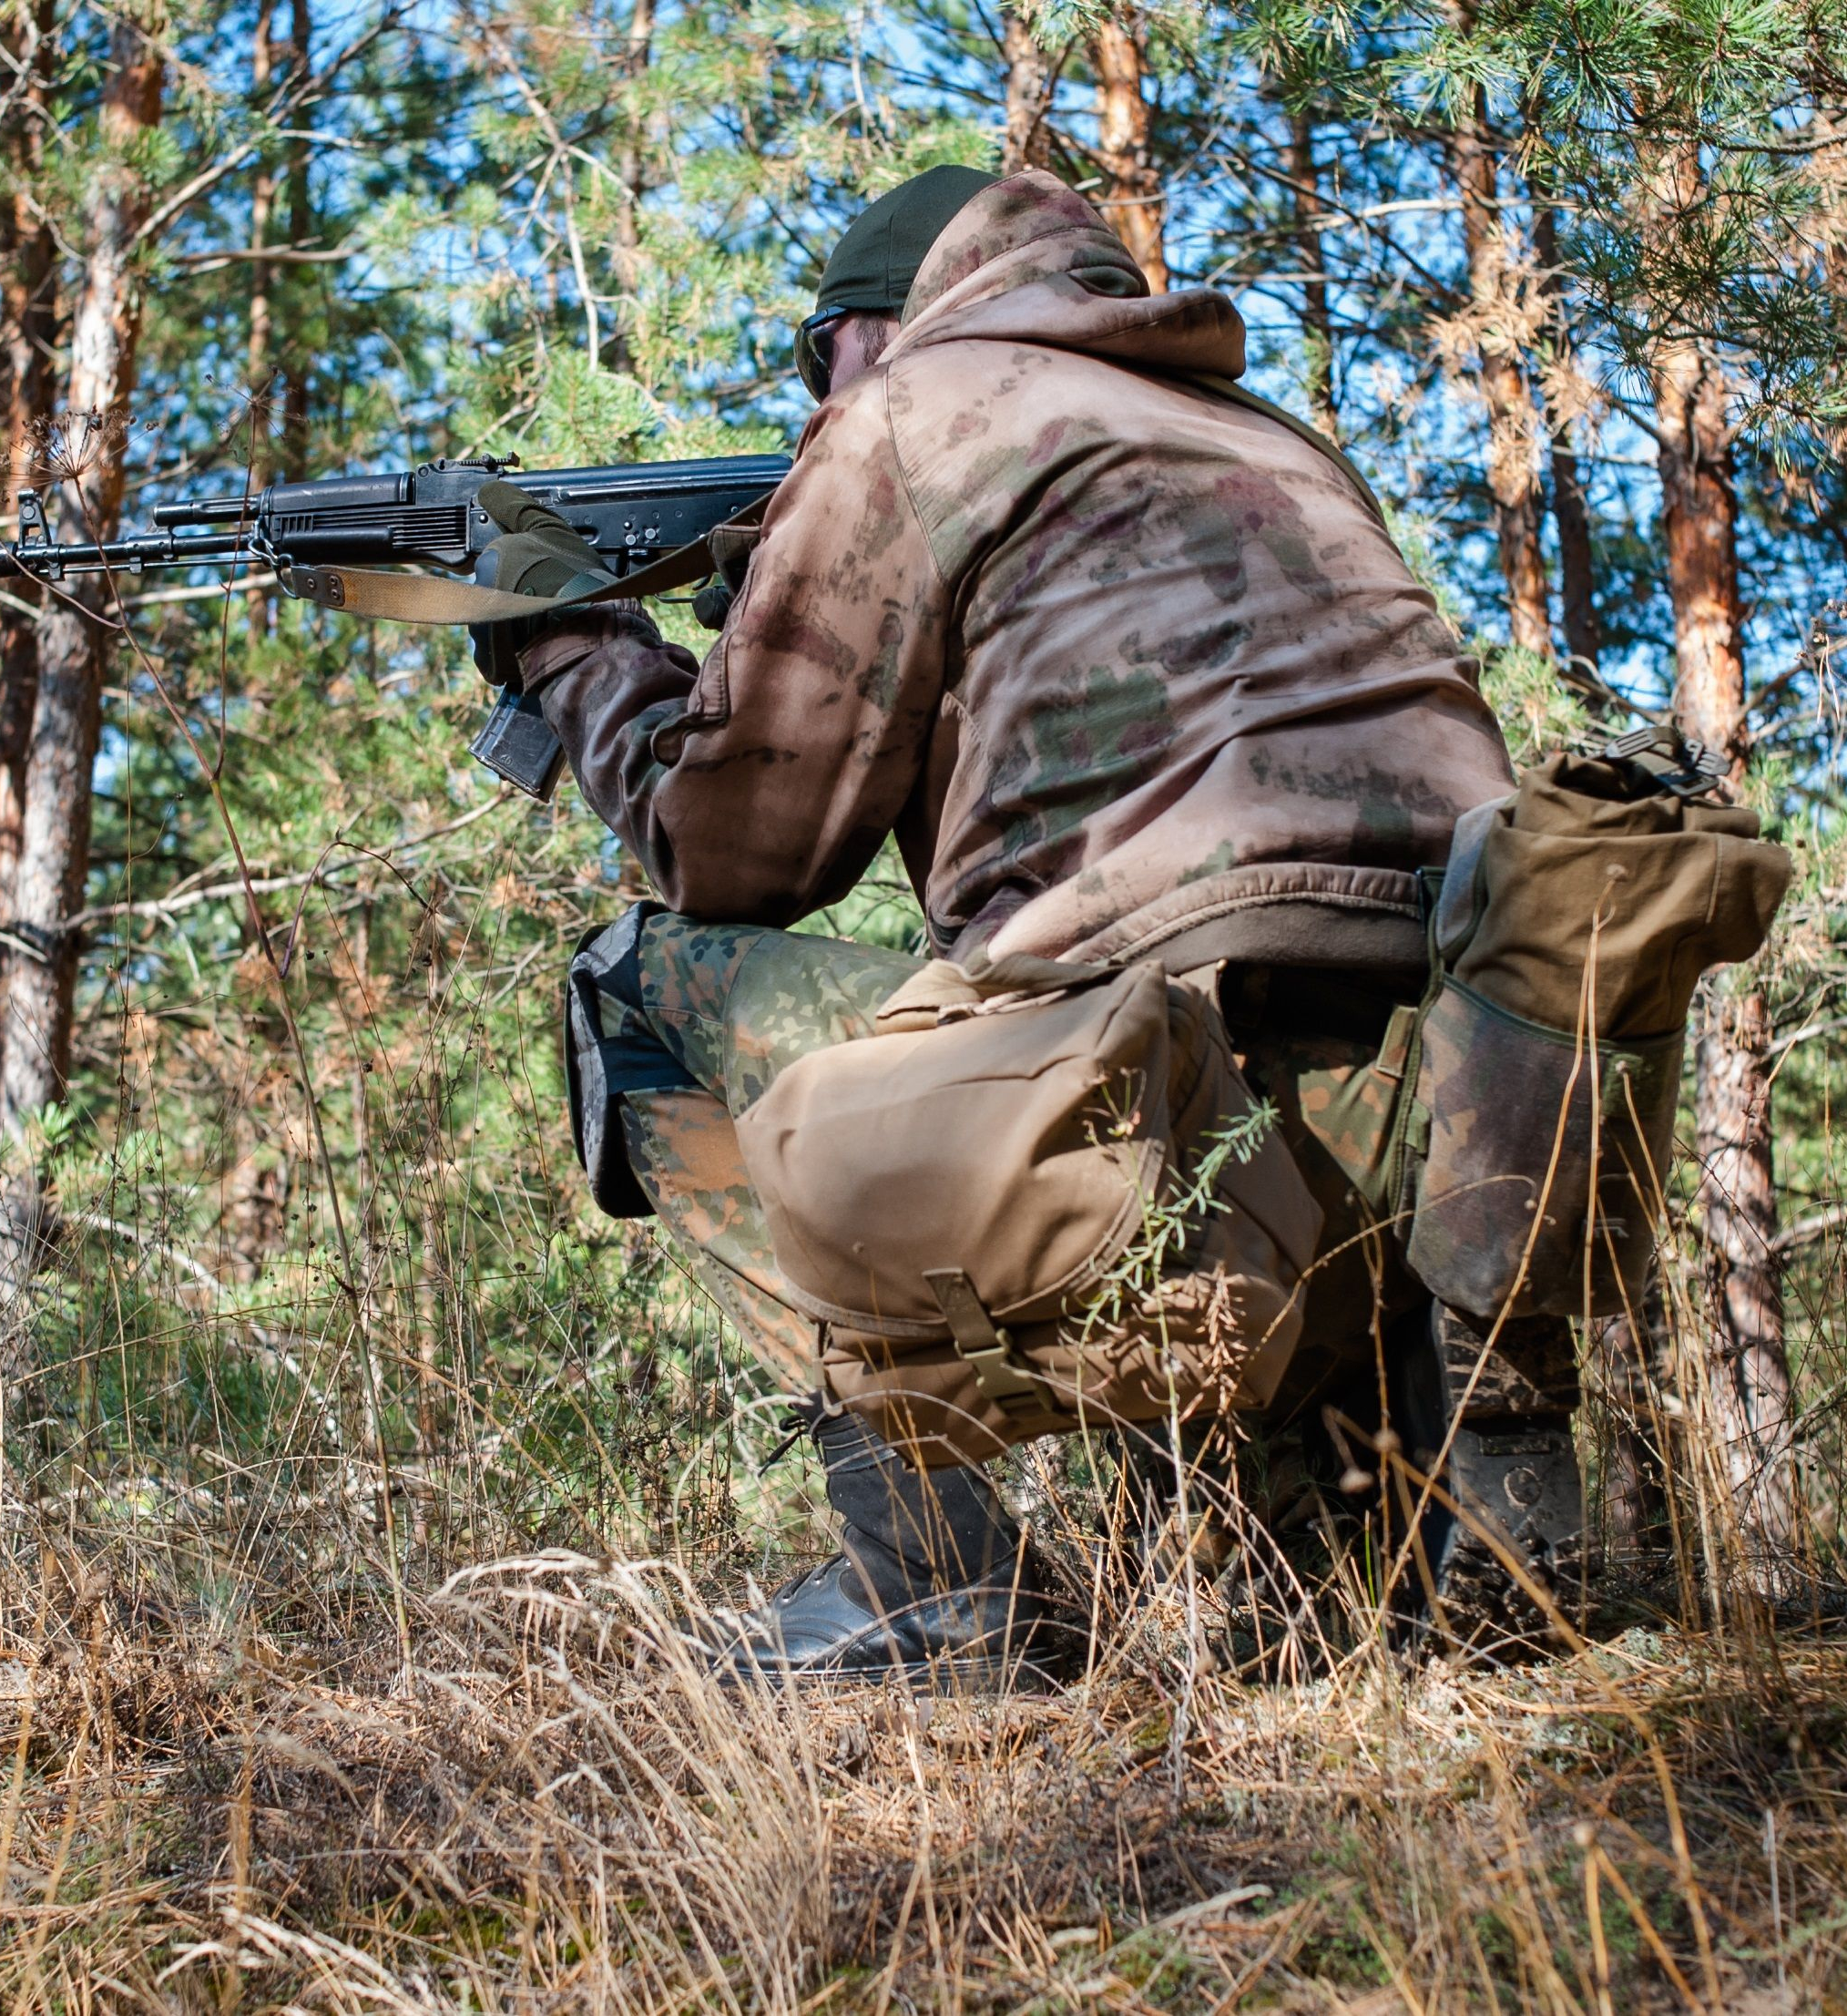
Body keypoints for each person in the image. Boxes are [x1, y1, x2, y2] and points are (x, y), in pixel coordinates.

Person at [473, 164, 1571, 1683]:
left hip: (1162, 1122)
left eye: (815, 364)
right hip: (1444, 1114)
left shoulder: (910, 414)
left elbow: (730, 855)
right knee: (1314, 1634)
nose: (809, 408)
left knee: (636, 988)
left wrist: (572, 652)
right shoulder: (1273, 439)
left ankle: (933, 1587)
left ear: (880, 326)